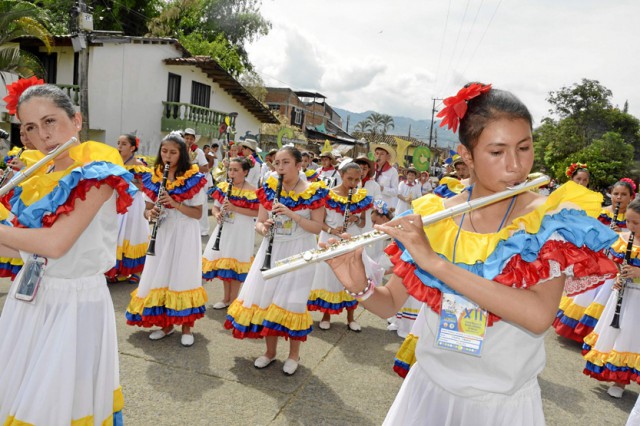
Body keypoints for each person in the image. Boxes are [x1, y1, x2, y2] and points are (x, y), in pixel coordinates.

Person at [324, 83, 618, 424]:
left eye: (524, 148)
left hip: (500, 407)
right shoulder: (435, 217)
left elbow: (538, 316)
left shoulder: (547, 221)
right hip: (427, 392)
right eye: (497, 152)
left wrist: (435, 263)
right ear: (466, 155)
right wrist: (358, 284)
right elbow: (390, 303)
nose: (515, 166)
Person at [0, 82, 136, 424]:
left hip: (73, 304)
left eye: (50, 121)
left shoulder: (98, 173)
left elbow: (55, 244)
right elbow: (23, 249)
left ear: (76, 120)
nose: (43, 135)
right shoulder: (36, 176)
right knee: (18, 393)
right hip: (29, 298)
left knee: (57, 405)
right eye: (31, 127)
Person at [224, 146, 327, 376]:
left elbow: (317, 227)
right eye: (277, 163)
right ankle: (270, 352)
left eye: (286, 163)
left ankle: (293, 355)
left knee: (292, 301)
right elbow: (259, 222)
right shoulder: (269, 187)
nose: (279, 168)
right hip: (272, 248)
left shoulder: (313, 190)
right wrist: (264, 227)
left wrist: (291, 214)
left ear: (300, 165)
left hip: (300, 249)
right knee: (268, 298)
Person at [125, 133, 208, 347]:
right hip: (162, 231)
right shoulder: (154, 176)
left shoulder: (194, 178)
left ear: (182, 154)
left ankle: (187, 327)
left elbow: (198, 214)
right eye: (164, 151)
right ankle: (166, 325)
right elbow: (147, 209)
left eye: (173, 152)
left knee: (182, 275)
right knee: (160, 275)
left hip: (184, 231)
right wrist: (150, 214)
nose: (167, 156)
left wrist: (173, 202)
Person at [554, 178, 635, 341]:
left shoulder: (633, 218)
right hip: (598, 259)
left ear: (631, 198)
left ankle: (594, 335)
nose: (619, 198)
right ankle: (574, 331)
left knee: (603, 295)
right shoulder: (603, 212)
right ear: (610, 195)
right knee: (587, 294)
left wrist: (621, 232)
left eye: (623, 195)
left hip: (615, 263)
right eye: (616, 194)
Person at [583, 197, 640, 399]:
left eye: (636, 223)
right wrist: (619, 277)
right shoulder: (624, 240)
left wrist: (638, 273)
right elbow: (617, 265)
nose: (631, 226)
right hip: (623, 297)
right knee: (620, 337)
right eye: (629, 222)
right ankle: (620, 381)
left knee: (635, 339)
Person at [308, 162, 372, 331]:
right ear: (341, 175)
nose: (353, 183)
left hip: (350, 240)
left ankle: (351, 318)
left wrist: (355, 219)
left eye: (357, 180)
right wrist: (332, 230)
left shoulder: (361, 197)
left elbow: (363, 222)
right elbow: (319, 222)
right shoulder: (328, 195)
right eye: (349, 178)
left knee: (353, 278)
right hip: (329, 239)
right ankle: (326, 315)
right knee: (329, 277)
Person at [202, 157, 259, 308]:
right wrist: (216, 214)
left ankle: (234, 300)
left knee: (236, 264)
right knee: (225, 262)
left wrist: (235, 208)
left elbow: (257, 212)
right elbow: (215, 207)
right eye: (230, 170)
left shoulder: (253, 191)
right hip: (225, 228)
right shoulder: (224, 187)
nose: (231, 173)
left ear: (245, 172)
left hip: (242, 231)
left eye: (236, 170)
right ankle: (225, 298)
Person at [105, 133, 150, 284]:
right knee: (117, 234)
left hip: (133, 203)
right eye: (118, 143)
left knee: (133, 233)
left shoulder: (138, 165)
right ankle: (120, 271)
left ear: (132, 148)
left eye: (124, 144)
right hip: (117, 202)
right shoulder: (113, 163)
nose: (119, 146)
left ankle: (136, 270)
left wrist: (126, 184)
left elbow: (145, 186)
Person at [183, 128, 211, 236]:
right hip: (182, 183)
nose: (188, 140)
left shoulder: (198, 152)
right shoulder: (179, 149)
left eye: (191, 138)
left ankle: (203, 230)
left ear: (194, 140)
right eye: (186, 138)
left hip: (195, 183)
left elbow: (206, 168)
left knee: (200, 205)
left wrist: (191, 167)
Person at [372, 143, 399, 209]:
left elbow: (395, 192)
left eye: (382, 154)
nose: (378, 156)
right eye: (377, 153)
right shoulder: (371, 168)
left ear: (387, 156)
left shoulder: (393, 171)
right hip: (370, 205)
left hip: (383, 206)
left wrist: (382, 189)